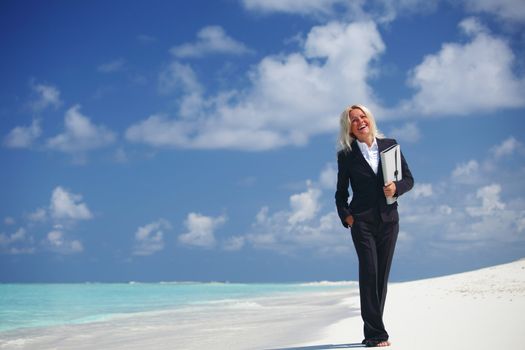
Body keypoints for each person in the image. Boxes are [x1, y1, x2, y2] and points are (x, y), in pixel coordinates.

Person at [335, 104, 414, 347]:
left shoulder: (390, 145)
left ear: (370, 118)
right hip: (362, 223)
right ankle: (375, 334)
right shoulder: (346, 156)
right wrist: (347, 216)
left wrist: (396, 189)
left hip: (389, 221)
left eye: (362, 116)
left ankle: (373, 329)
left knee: (381, 277)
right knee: (369, 273)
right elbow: (340, 193)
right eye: (354, 120)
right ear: (349, 129)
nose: (360, 121)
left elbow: (409, 179)